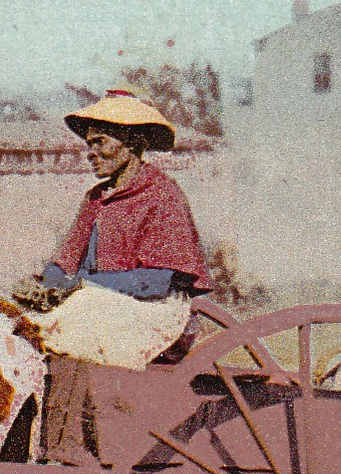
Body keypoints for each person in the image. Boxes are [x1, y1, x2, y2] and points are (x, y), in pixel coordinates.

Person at [13, 89, 213, 369]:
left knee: (82, 310)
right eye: (88, 145)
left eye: (100, 142)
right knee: (22, 319)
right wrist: (44, 287)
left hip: (155, 310)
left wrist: (83, 286)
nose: (91, 153)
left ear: (132, 143)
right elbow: (65, 261)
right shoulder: (96, 198)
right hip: (101, 302)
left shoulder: (163, 193)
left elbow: (158, 281)